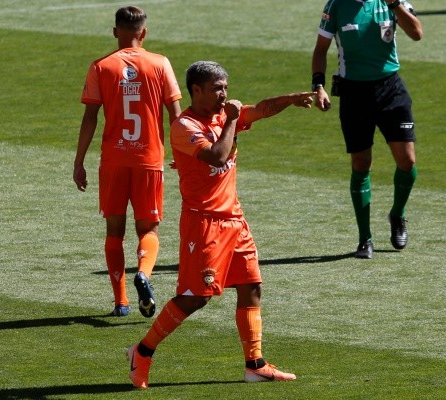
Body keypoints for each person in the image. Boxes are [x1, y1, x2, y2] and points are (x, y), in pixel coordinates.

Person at [126, 61, 315, 388]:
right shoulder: (185, 126)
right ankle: (142, 352)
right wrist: (231, 120)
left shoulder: (221, 115)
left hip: (234, 220)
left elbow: (261, 110)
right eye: (217, 88)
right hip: (204, 224)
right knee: (196, 297)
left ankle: (255, 364)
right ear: (196, 90)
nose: (224, 94)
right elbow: (217, 156)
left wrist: (291, 99)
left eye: (225, 87)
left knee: (251, 286)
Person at [73, 6, 182, 317]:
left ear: (114, 32)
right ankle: (143, 274)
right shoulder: (160, 63)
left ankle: (120, 301)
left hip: (113, 161)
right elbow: (176, 116)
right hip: (149, 160)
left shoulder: (100, 66)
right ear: (143, 33)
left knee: (114, 232)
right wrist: (181, 153)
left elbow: (90, 117)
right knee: (149, 229)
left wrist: (79, 162)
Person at [311, 0, 423, 259]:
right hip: (354, 94)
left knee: (407, 161)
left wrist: (395, 5)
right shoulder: (337, 5)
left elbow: (417, 33)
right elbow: (320, 49)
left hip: (391, 90)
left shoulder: (391, 3)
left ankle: (397, 214)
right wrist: (318, 86)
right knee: (361, 163)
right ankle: (365, 238)